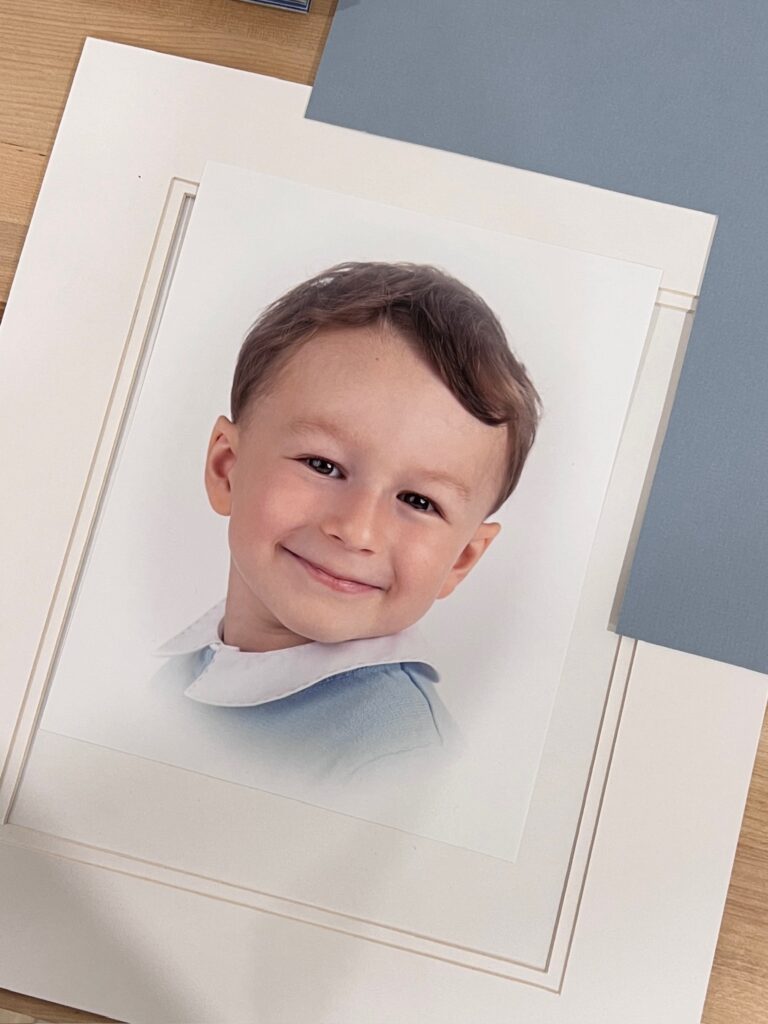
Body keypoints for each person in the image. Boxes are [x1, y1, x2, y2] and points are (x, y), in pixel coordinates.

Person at [153, 261, 542, 789]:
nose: (357, 530)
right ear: (227, 468)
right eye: (323, 465)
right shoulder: (178, 673)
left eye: (418, 501)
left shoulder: (398, 757)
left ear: (463, 559)